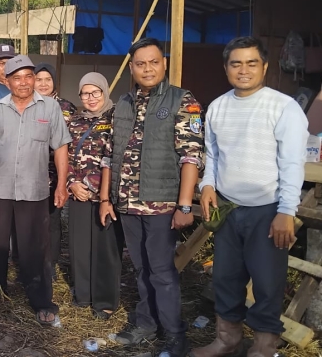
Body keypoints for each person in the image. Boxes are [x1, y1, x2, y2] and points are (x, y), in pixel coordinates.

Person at [191, 37, 306, 357]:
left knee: (268, 283)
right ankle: (228, 340)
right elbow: (212, 157)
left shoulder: (284, 107)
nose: (244, 70)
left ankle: (264, 346)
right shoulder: (217, 107)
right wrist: (208, 185)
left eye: (251, 63)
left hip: (268, 210)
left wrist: (286, 210)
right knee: (226, 276)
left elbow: (292, 163)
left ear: (265, 67)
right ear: (226, 67)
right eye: (236, 63)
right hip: (227, 207)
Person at [99, 38, 204, 357]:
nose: (147, 68)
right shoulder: (123, 103)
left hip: (161, 205)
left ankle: (174, 334)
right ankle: (146, 324)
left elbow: (192, 155)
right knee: (142, 268)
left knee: (161, 270)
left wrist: (185, 204)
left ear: (165, 64)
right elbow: (108, 154)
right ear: (131, 68)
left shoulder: (183, 101)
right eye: (140, 64)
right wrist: (106, 198)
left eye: (153, 62)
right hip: (127, 204)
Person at [0, 55, 70, 326]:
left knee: (35, 247)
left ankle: (41, 301)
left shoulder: (49, 108)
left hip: (34, 190)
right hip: (0, 188)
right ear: (7, 80)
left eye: (29, 77)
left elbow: (61, 147)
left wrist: (61, 184)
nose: (24, 82)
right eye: (17, 77)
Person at [66, 72, 121, 320]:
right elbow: (64, 156)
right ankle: (83, 294)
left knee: (105, 248)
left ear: (104, 91)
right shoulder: (75, 121)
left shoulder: (118, 119)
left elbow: (119, 158)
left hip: (106, 197)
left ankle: (105, 300)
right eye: (85, 93)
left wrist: (99, 190)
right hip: (78, 193)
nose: (90, 98)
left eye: (95, 92)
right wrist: (72, 183)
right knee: (79, 246)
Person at [34, 62, 77, 275]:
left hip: (54, 176)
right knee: (29, 221)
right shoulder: (27, 104)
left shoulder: (67, 108)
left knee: (52, 221)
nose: (43, 84)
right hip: (29, 176)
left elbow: (71, 144)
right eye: (39, 79)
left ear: (54, 82)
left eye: (47, 79)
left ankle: (49, 265)